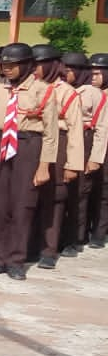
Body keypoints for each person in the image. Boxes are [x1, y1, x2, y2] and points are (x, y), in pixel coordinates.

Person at [0, 43, 56, 280]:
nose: (6, 69)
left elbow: (51, 134)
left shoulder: (43, 91)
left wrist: (44, 166)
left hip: (28, 145)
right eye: (3, 65)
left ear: (27, 65)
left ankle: (16, 260)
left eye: (12, 65)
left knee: (23, 204)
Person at [31, 45, 82, 270]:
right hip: (33, 145)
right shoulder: (31, 88)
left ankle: (49, 249)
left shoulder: (66, 92)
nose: (33, 69)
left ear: (52, 65)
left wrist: (73, 164)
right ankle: (30, 244)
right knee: (31, 198)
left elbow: (75, 131)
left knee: (55, 198)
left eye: (38, 65)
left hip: (59, 145)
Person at [63, 52, 104, 257]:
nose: (65, 73)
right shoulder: (63, 89)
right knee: (64, 192)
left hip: (86, 139)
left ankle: (76, 238)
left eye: (69, 70)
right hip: (67, 140)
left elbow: (101, 128)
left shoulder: (92, 93)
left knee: (80, 192)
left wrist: (94, 158)